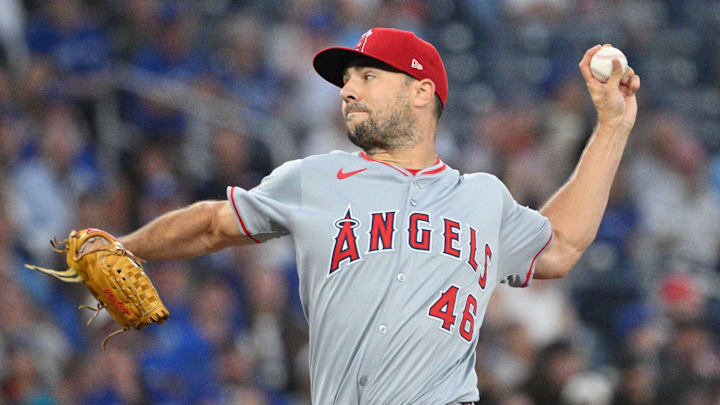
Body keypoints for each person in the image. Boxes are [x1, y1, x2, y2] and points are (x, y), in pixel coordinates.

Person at [87, 28, 640, 404]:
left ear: (422, 92)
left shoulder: (483, 197)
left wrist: (613, 124)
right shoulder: (315, 177)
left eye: (368, 77)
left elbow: (562, 245)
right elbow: (213, 223)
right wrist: (124, 244)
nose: (348, 90)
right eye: (346, 80)